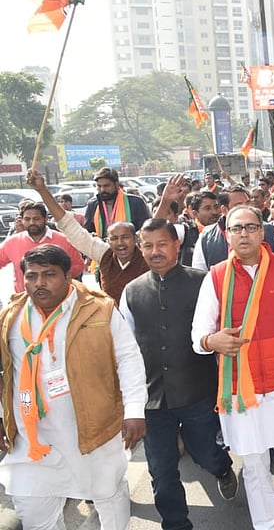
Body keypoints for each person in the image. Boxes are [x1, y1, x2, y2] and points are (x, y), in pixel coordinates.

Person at [191, 204, 274, 529]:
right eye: (237, 228)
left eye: (250, 227)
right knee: (254, 464)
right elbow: (198, 334)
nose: (244, 233)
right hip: (239, 388)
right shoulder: (216, 276)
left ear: (262, 233)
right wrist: (212, 341)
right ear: (227, 235)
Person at [0, 244, 147, 529]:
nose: (39, 283)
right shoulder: (11, 317)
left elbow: (129, 360)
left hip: (91, 433)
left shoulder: (99, 310)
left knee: (108, 496)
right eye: (32, 276)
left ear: (68, 277)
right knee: (34, 513)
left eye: (49, 275)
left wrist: (134, 411)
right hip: (32, 440)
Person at [120, 219, 237, 528]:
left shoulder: (204, 282)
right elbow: (126, 349)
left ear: (176, 246)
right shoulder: (131, 292)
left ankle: (222, 468)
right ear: (139, 248)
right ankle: (176, 523)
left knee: (204, 453)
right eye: (148, 246)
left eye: (162, 244)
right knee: (161, 470)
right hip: (152, 399)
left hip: (198, 391)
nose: (155, 251)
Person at [27, 169, 146, 304]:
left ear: (136, 238)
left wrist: (165, 200)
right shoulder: (104, 254)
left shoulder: (148, 257)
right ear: (107, 241)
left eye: (125, 237)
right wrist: (42, 190)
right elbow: (69, 226)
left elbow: (152, 229)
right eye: (114, 238)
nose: (120, 243)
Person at [0, 200, 85, 293]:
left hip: (58, 300)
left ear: (45, 219)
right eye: (27, 219)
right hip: (25, 301)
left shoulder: (64, 240)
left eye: (36, 219)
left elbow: (79, 265)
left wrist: (56, 276)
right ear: (22, 220)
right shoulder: (12, 242)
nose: (32, 222)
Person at [192, 185, 274, 271]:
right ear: (224, 210)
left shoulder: (269, 231)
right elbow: (199, 274)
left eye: (248, 204)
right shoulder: (206, 237)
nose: (246, 209)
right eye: (239, 206)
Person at [83, 167, 151, 238]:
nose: (102, 189)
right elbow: (87, 231)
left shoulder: (136, 202)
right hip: (102, 247)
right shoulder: (93, 205)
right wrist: (92, 236)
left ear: (116, 184)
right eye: (99, 186)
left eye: (106, 186)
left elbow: (146, 229)